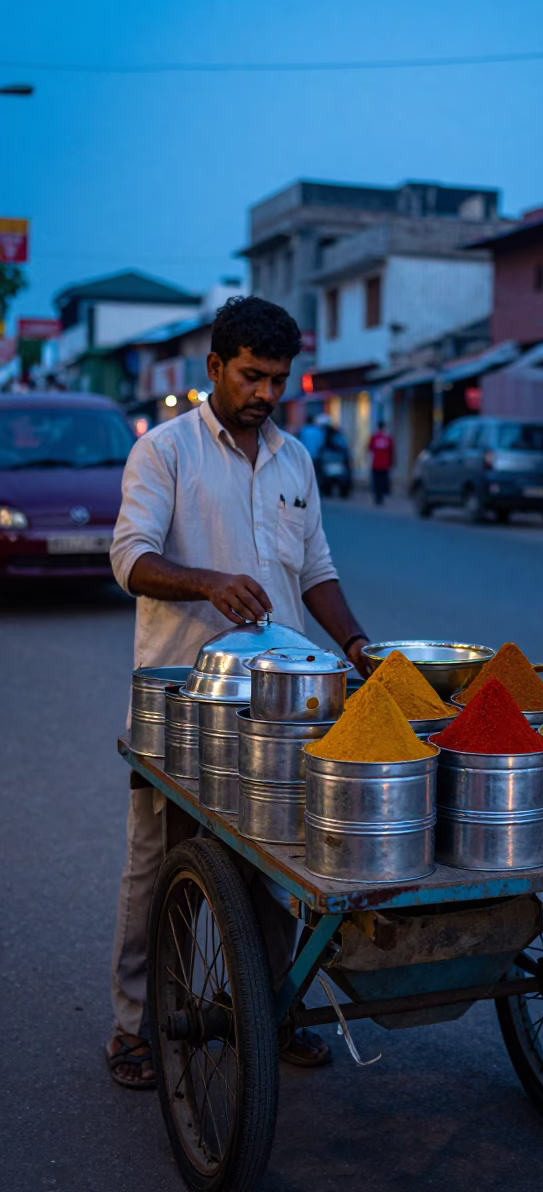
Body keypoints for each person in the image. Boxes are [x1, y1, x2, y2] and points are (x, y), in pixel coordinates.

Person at [107, 296, 371, 1088]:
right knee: (159, 868)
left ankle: (268, 1010)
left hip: (279, 711)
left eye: (277, 380)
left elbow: (315, 571)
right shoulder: (165, 453)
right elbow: (130, 560)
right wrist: (210, 583)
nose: (264, 393)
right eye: (251, 376)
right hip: (183, 705)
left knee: (274, 872)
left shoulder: (294, 460)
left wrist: (359, 646)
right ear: (214, 367)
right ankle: (133, 1026)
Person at [368, 419, 394, 506]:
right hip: (384, 464)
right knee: (382, 481)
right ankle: (380, 498)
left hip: (376, 463)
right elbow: (391, 451)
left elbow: (370, 449)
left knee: (377, 481)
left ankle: (377, 498)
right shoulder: (387, 438)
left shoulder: (375, 437)